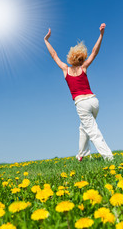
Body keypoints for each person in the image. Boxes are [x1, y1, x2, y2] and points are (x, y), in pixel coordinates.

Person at [44, 23, 113, 161]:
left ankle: (108, 157)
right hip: (94, 101)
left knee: (93, 131)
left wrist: (46, 40)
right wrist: (101, 35)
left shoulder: (65, 69)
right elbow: (94, 51)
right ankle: (82, 155)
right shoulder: (84, 67)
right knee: (83, 128)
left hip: (82, 103)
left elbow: (54, 55)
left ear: (71, 57)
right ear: (82, 57)